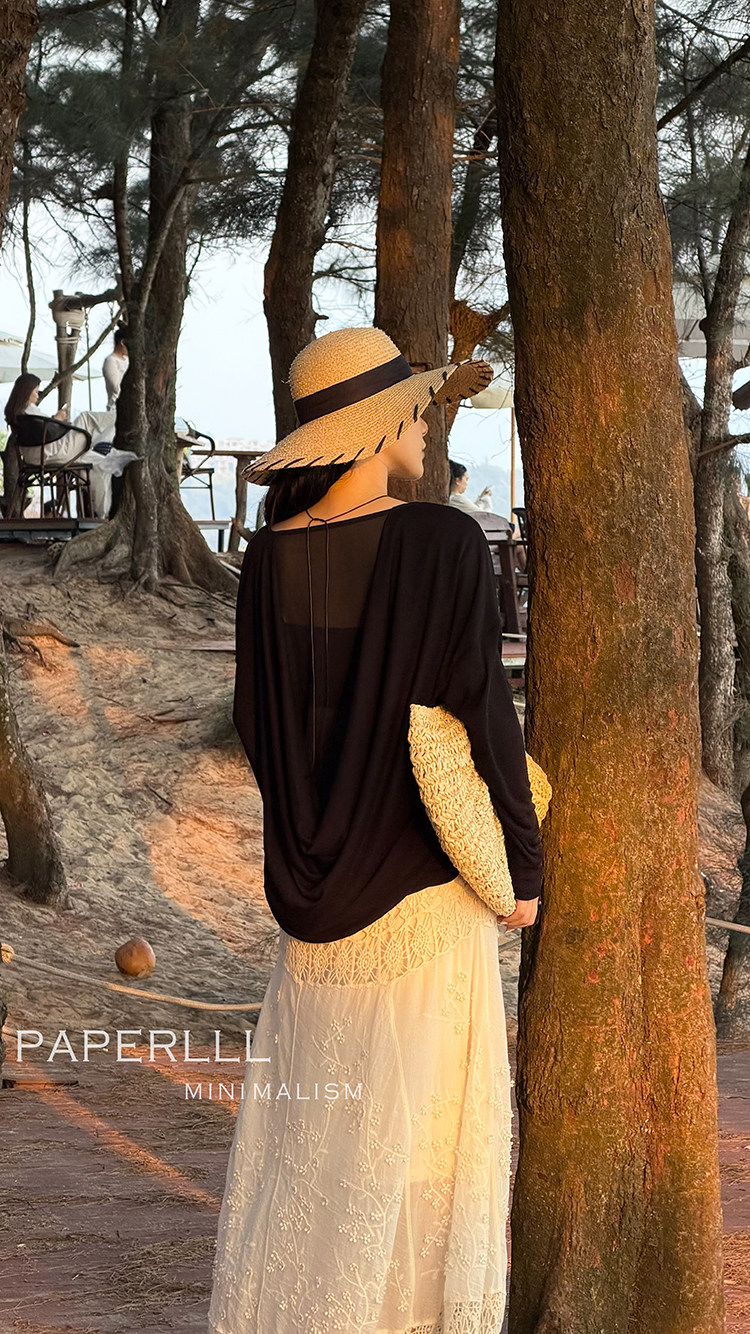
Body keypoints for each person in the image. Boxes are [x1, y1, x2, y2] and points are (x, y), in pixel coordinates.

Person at [207, 327, 544, 1334]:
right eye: (417, 408)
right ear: (382, 423)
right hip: (424, 901)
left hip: (310, 911)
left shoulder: (270, 557)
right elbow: (483, 716)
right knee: (422, 1158)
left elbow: (262, 727)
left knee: (318, 1154)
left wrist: (318, 825)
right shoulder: (441, 542)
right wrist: (524, 865)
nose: (428, 423)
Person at [4, 373, 137, 519]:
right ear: (27, 391)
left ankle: (103, 513)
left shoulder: (18, 414)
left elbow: (41, 432)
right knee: (85, 418)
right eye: (36, 391)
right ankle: (119, 417)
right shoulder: (29, 410)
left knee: (98, 463)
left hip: (39, 457)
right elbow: (46, 433)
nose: (37, 395)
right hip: (53, 453)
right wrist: (57, 419)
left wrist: (57, 422)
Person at [102, 326, 129, 411]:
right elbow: (116, 387)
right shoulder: (110, 361)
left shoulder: (128, 361)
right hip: (115, 408)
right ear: (122, 343)